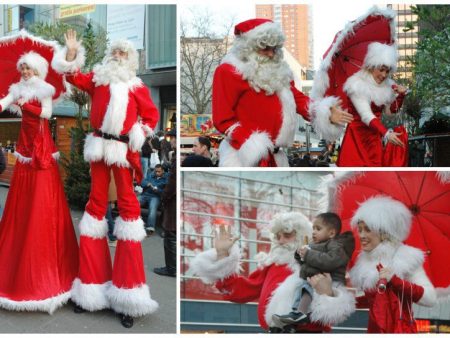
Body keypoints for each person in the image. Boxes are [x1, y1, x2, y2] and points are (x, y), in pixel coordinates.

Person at [52, 29, 159, 328]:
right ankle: (91, 290)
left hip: (123, 149)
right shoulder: (98, 78)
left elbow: (151, 118)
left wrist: (139, 133)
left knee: (128, 210)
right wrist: (71, 53)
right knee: (95, 206)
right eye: (115, 51)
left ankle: (128, 295)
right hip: (99, 146)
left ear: (130, 59)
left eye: (123, 53)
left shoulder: (137, 86)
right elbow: (73, 76)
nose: (117, 56)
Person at [212, 18, 352, 167]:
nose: (272, 54)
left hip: (277, 158)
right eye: (265, 48)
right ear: (248, 48)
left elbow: (298, 99)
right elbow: (223, 119)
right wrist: (250, 144)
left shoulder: (280, 73)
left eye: (275, 48)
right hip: (242, 157)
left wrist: (327, 113)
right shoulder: (228, 71)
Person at [0, 52, 79, 313]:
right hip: (24, 149)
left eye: (28, 69)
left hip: (41, 149)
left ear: (37, 70)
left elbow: (46, 113)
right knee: (21, 202)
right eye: (22, 68)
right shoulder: (17, 89)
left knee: (43, 199)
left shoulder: (44, 89)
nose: (24, 72)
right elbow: (5, 101)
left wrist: (27, 106)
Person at [189, 212, 355, 333]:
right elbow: (240, 291)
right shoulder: (273, 265)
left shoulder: (323, 261)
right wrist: (222, 256)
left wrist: (328, 294)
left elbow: (337, 310)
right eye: (277, 236)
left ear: (302, 235)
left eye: (287, 235)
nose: (281, 241)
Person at [314, 196, 437, 333]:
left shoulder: (406, 259)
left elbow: (430, 298)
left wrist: (396, 281)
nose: (361, 235)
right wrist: (332, 294)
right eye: (360, 230)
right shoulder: (365, 264)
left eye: (367, 229)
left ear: (384, 231)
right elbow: (372, 301)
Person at [273, 213, 354, 326]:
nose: (314, 232)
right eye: (313, 228)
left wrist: (308, 254)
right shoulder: (317, 244)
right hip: (316, 277)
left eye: (318, 229)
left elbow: (329, 261)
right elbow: (309, 261)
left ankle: (301, 312)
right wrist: (299, 254)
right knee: (301, 288)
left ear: (331, 233)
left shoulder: (336, 246)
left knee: (306, 288)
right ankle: (296, 312)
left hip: (331, 281)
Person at [154, 153, 176, 277]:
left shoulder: (176, 160)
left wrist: (164, 196)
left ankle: (171, 268)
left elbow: (172, 184)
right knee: (174, 237)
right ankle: (173, 267)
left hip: (173, 204)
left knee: (171, 236)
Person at [139, 164, 168, 234]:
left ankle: (150, 227)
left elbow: (165, 191)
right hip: (145, 194)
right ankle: (136, 222)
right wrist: (147, 184)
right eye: (156, 171)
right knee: (135, 204)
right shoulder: (151, 174)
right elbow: (142, 182)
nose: (157, 173)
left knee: (152, 208)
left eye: (159, 171)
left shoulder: (167, 177)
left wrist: (157, 190)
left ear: (163, 171)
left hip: (156, 196)